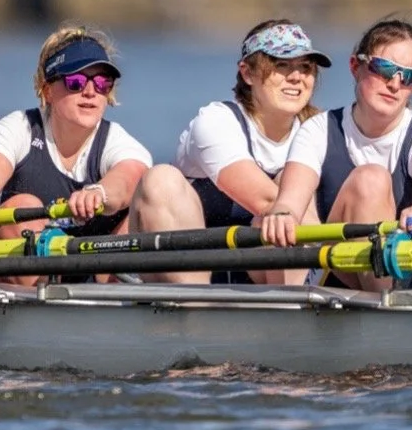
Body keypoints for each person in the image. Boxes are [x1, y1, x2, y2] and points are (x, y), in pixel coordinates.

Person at [265, 16, 412, 294]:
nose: (395, 84)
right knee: (370, 178)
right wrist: (283, 213)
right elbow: (293, 194)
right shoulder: (318, 130)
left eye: (409, 76)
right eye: (384, 68)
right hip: (341, 280)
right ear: (355, 66)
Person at [129, 19, 332, 285]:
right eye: (282, 65)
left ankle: (292, 312)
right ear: (247, 74)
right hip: (196, 281)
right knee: (160, 179)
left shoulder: (318, 130)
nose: (296, 77)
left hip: (268, 282)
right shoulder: (216, 122)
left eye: (306, 67)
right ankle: (195, 314)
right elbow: (265, 201)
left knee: (292, 186)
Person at [0, 26, 153, 239]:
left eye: (102, 83)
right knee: (25, 207)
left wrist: (99, 193)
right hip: (22, 263)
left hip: (94, 267)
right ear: (47, 90)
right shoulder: (20, 127)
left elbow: (128, 178)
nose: (89, 92)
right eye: (75, 82)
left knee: (143, 210)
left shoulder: (118, 141)